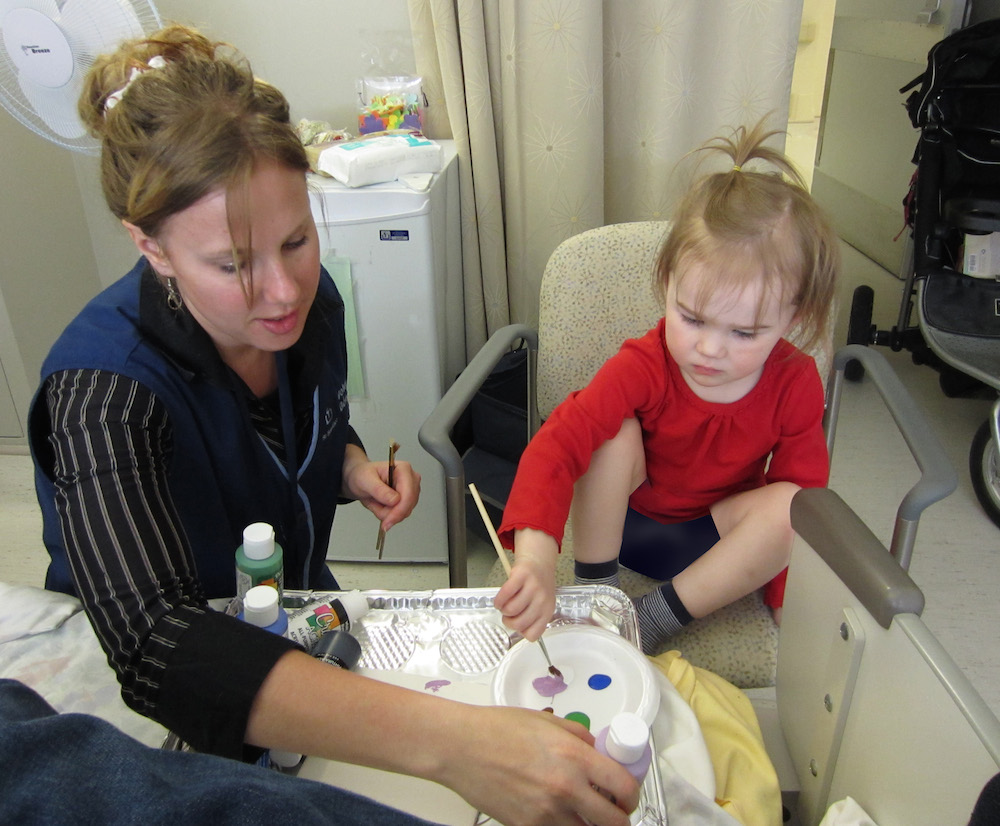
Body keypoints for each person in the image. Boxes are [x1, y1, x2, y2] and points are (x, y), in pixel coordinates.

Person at [27, 25, 638, 826]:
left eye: (297, 240)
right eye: (234, 264)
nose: (283, 291)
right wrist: (457, 744)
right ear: (151, 247)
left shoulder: (309, 310)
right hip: (167, 693)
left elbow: (302, 425)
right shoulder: (100, 390)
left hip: (292, 617)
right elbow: (155, 644)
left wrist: (349, 467)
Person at [494, 120, 839, 654]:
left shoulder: (795, 381)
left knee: (796, 505)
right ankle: (596, 594)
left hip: (711, 548)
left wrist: (784, 604)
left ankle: (653, 620)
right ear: (666, 284)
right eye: (692, 318)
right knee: (612, 430)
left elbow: (803, 503)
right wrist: (536, 559)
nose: (710, 350)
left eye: (744, 332)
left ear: (794, 319)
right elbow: (557, 445)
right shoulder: (645, 363)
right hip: (621, 531)